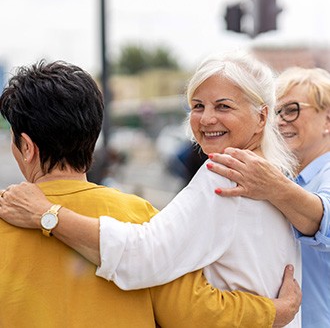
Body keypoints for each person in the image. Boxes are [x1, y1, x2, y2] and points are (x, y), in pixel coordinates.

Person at [0, 59, 301, 327]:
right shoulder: (137, 214)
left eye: (223, 106)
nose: (207, 118)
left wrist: (47, 215)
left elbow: (143, 256)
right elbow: (190, 313)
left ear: (26, 147)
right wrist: (273, 312)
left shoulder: (225, 176)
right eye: (197, 106)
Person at [206, 66, 330, 328]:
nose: (280, 120)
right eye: (275, 111)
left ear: (328, 120)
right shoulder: (282, 176)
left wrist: (273, 186)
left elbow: (324, 219)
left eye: (292, 109)